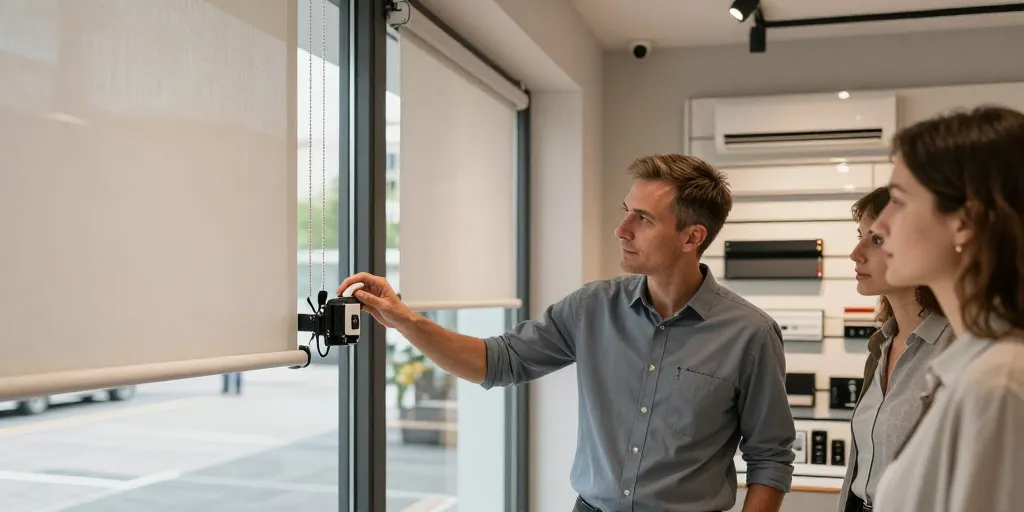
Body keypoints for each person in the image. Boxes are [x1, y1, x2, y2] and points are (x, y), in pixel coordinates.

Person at [339, 154, 796, 512]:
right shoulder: (591, 307)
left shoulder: (750, 334)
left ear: (692, 237)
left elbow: (770, 457)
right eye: (626, 212)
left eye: (644, 218)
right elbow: (496, 362)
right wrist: (403, 318)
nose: (622, 229)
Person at [868, 106, 1024, 512]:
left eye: (898, 201)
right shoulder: (977, 366)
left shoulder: (999, 382)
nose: (879, 226)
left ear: (964, 222)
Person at [837, 187, 953, 512]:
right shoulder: (881, 346)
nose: (855, 253)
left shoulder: (953, 350)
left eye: (875, 240)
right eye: (860, 236)